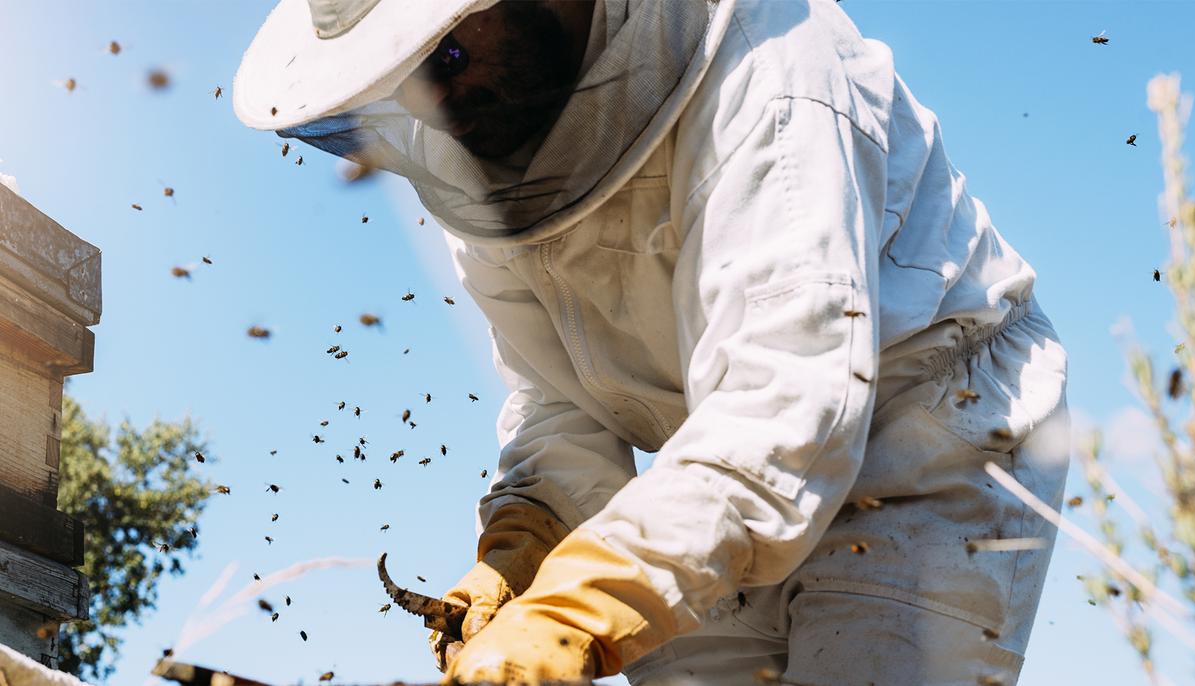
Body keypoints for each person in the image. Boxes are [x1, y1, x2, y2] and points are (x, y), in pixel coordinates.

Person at [233, 0, 1071, 683]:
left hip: (923, 429)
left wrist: (574, 610)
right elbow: (560, 391)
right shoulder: (482, 155)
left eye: (443, 61)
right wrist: (523, 545)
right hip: (705, 469)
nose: (435, 110)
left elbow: (788, 405)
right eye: (399, 89)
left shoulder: (770, 70)